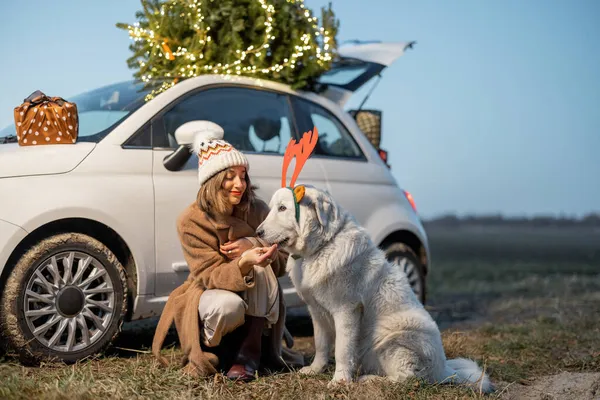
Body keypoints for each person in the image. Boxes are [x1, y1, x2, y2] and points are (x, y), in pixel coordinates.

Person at [151, 121, 304, 382]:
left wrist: (252, 246)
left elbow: (285, 258)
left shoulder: (257, 210)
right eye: (230, 176)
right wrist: (242, 263)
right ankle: (217, 348)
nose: (239, 184)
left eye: (243, 176)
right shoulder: (191, 220)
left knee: (259, 259)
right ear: (213, 180)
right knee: (228, 306)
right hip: (211, 291)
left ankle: (248, 355)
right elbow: (208, 275)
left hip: (260, 296)